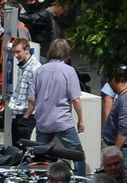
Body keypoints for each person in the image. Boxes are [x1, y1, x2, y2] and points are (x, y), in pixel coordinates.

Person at [26, 39, 86, 173]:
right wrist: (80, 119)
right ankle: (80, 182)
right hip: (62, 121)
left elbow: (31, 97)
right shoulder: (69, 71)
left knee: (40, 156)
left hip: (43, 121)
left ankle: (41, 180)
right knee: (77, 154)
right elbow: (75, 99)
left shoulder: (40, 70)